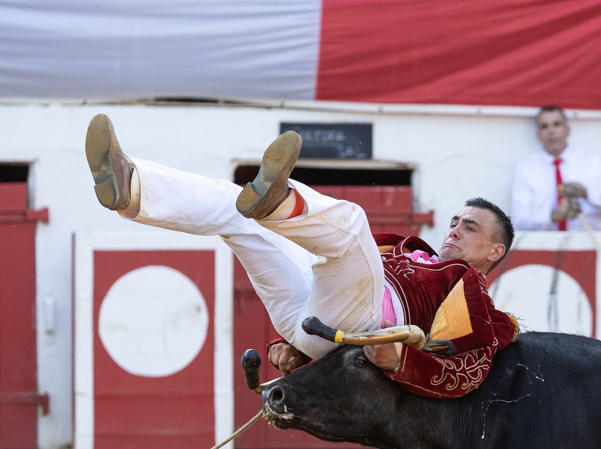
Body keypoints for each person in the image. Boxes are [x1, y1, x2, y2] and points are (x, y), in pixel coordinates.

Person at [85, 114, 517, 399]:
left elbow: (468, 371)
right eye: (455, 221)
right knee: (234, 211)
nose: (454, 229)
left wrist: (405, 362)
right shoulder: (409, 248)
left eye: (470, 228)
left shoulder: (475, 295)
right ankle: (134, 187)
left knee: (351, 225)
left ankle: (278, 203)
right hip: (311, 319)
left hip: (362, 329)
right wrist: (292, 348)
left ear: (495, 251)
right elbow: (339, 276)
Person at [510, 106, 601, 232]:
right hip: (543, 242)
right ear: (537, 135)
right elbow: (518, 223)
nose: (551, 131)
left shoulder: (592, 161)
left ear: (568, 130)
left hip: (588, 241)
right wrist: (553, 216)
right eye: (544, 126)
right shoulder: (526, 168)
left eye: (557, 124)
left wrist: (587, 194)